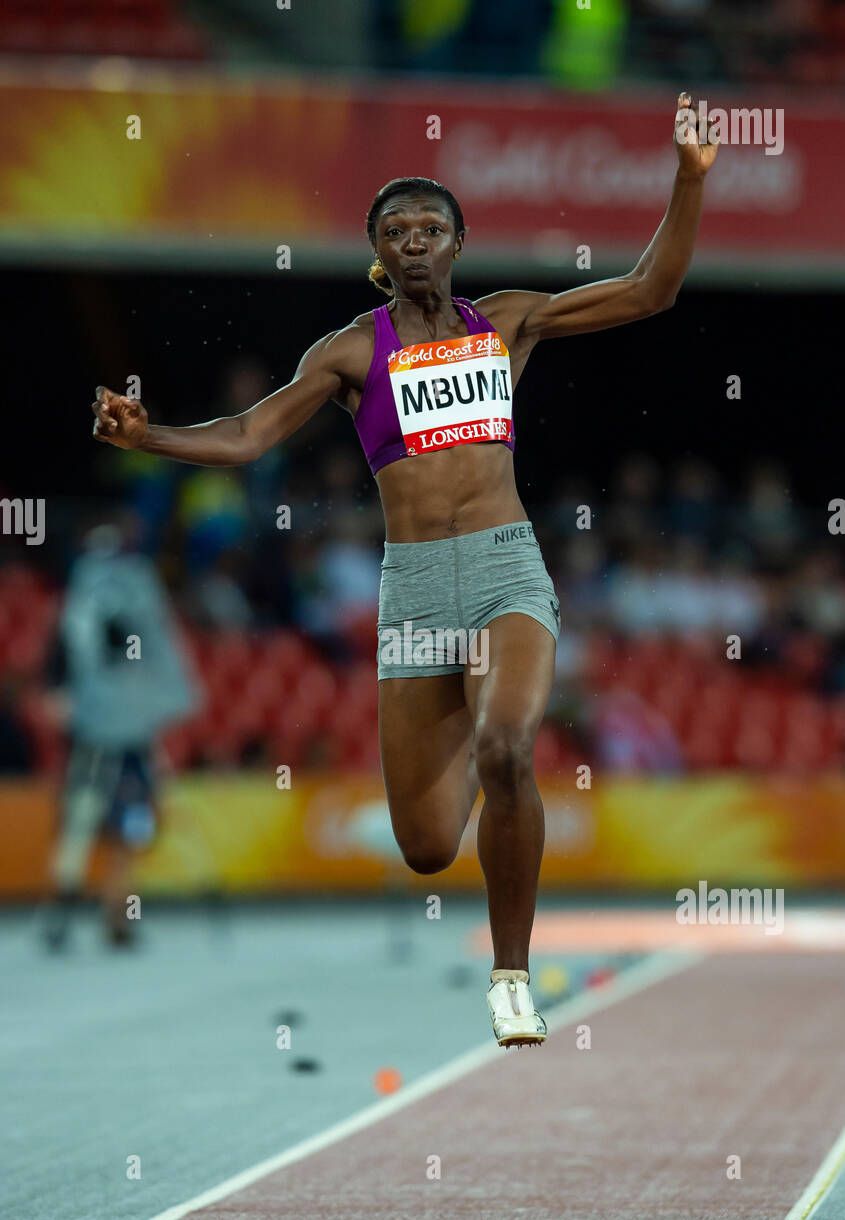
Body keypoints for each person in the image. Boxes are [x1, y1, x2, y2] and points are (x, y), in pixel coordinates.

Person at [92, 94, 718, 1043]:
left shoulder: (507, 323)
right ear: (380, 255)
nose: (416, 240)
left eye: (432, 226)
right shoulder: (349, 352)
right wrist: (153, 439)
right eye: (397, 230)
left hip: (507, 568)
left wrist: (688, 177)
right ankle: (475, 718)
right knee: (426, 848)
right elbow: (249, 435)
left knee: (511, 748)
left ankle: (512, 976)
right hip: (416, 590)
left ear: (458, 242)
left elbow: (647, 290)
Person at [42, 519, 197, 948]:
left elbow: (156, 663)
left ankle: (117, 913)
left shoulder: (133, 608)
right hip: (96, 739)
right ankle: (63, 906)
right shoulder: (79, 612)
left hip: (130, 737)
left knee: (129, 828)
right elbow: (59, 667)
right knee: (82, 822)